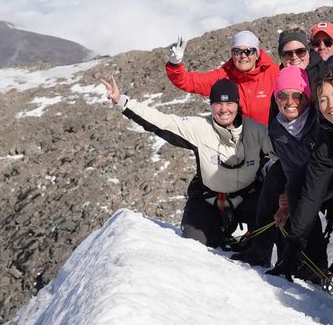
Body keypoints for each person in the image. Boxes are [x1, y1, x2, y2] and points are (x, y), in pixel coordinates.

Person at [99, 73, 274, 248]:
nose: (224, 109)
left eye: (229, 103)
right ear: (211, 105)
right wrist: (122, 101)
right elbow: (162, 122)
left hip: (248, 201)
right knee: (194, 247)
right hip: (209, 201)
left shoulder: (257, 131)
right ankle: (219, 233)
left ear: (237, 104)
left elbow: (284, 150)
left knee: (259, 248)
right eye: (218, 103)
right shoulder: (198, 128)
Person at [270, 65, 333, 285]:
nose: (331, 105)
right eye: (323, 99)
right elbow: (311, 193)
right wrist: (293, 246)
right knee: (298, 185)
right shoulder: (329, 136)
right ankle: (326, 271)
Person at [237, 66, 321, 269]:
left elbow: (324, 170)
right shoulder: (277, 129)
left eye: (297, 95)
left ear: (307, 97)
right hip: (300, 179)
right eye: (282, 95)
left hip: (328, 182)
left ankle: (314, 269)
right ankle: (267, 252)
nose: (290, 102)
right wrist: (286, 202)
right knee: (280, 187)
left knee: (303, 204)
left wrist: (295, 197)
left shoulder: (319, 122)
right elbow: (290, 169)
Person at [164, 29, 279, 124]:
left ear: (257, 54)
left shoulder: (273, 73)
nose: (243, 56)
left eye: (249, 51)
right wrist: (175, 64)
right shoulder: (223, 77)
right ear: (232, 54)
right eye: (237, 51)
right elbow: (189, 82)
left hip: (272, 141)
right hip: (240, 144)